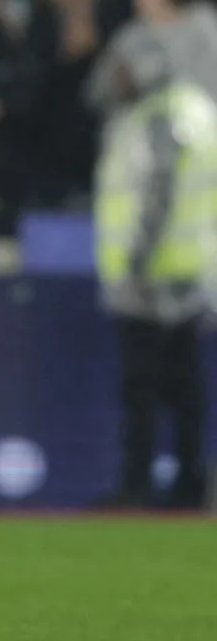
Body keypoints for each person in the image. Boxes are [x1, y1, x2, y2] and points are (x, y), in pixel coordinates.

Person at [93, 48, 217, 510]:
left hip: (153, 276)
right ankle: (190, 485)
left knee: (143, 386)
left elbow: (159, 191)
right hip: (191, 269)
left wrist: (137, 263)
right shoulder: (197, 110)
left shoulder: (157, 118)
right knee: (185, 386)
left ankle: (137, 486)